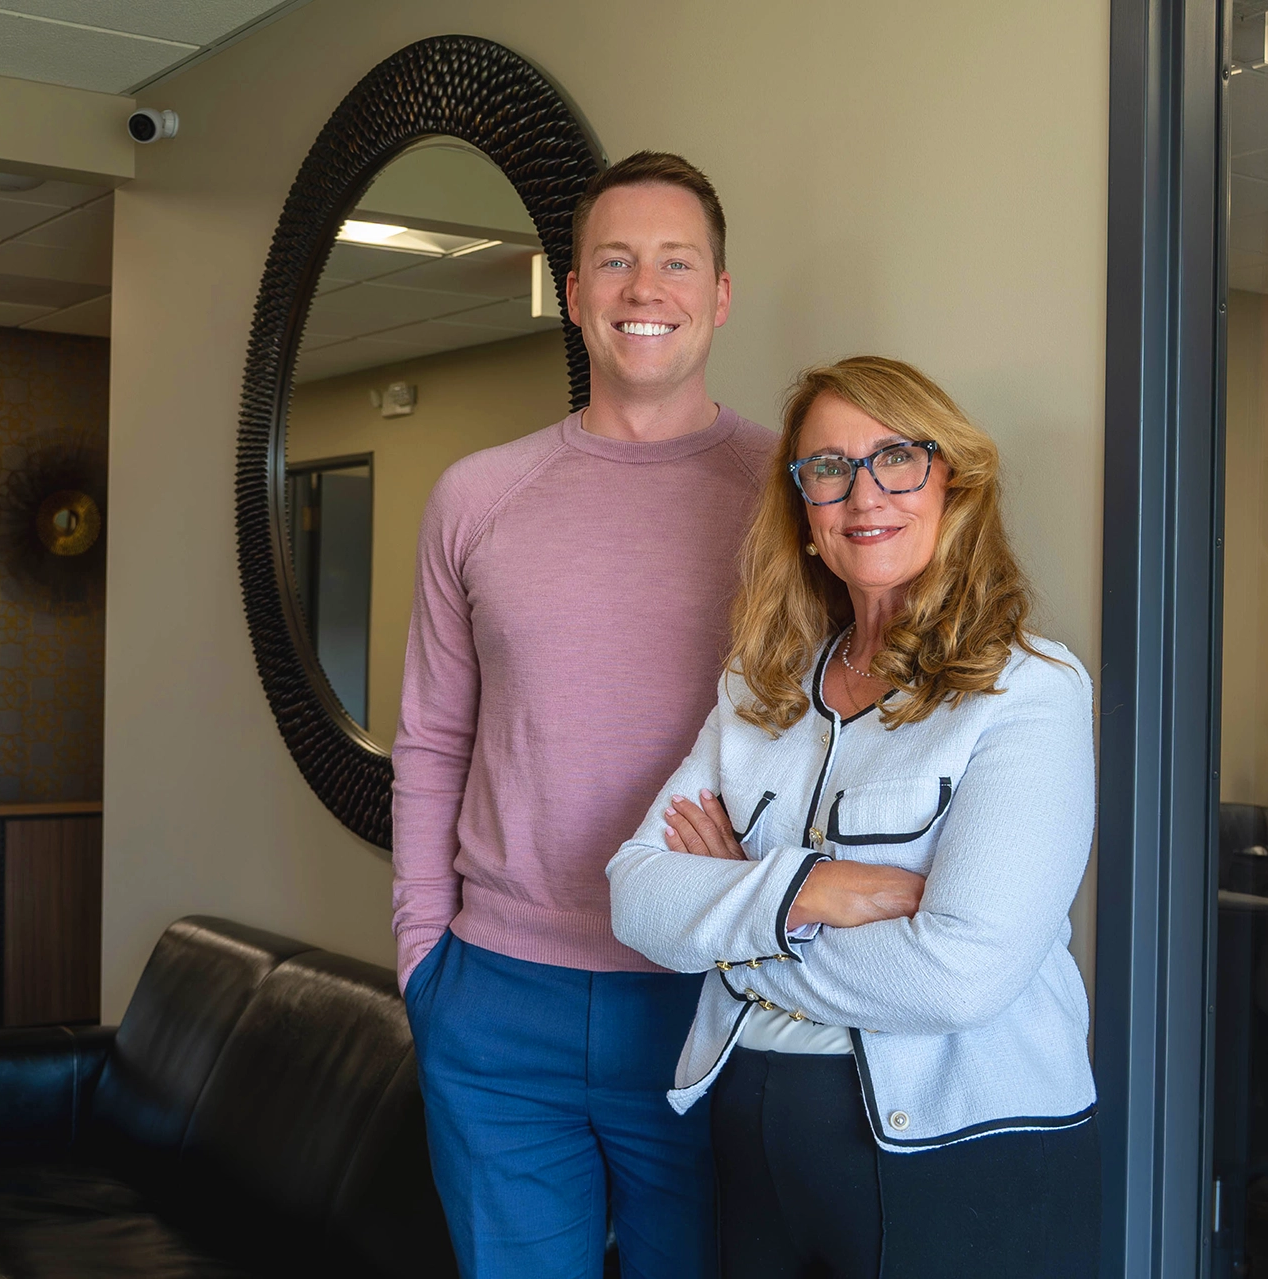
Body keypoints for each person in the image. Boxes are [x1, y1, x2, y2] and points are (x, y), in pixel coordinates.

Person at [607, 356, 1098, 1278]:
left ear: (952, 481)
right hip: (752, 1138)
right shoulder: (756, 695)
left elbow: (960, 974)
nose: (863, 492)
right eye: (827, 469)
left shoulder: (1030, 691)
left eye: (897, 458)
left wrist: (737, 933)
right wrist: (814, 889)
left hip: (962, 1160)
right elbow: (636, 896)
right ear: (804, 515)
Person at [391, 151, 775, 1279]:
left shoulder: (790, 495)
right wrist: (423, 952)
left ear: (718, 294)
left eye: (674, 262)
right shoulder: (477, 494)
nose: (641, 288)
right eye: (613, 261)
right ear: (572, 293)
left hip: (711, 992)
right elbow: (432, 738)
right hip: (496, 998)